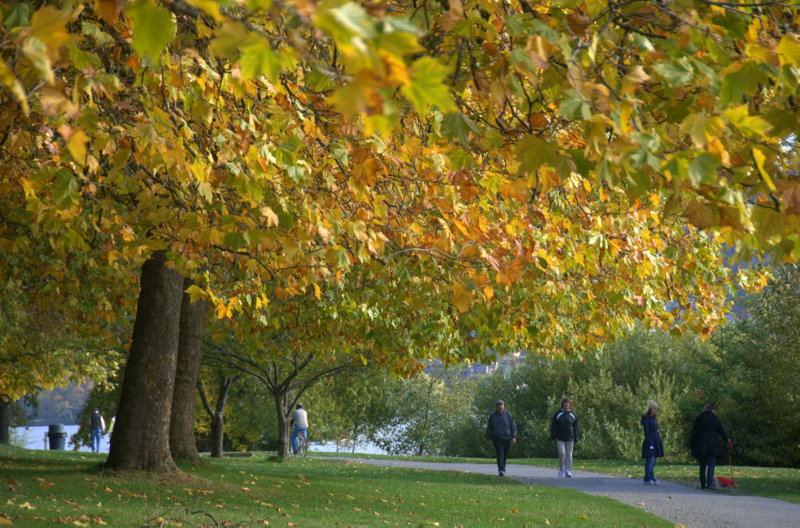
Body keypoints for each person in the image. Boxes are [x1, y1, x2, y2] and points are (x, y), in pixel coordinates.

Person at [690, 403, 733, 490]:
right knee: (711, 465)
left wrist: (692, 445)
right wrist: (727, 439)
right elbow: (721, 429)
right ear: (712, 410)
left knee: (702, 465)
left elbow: (694, 433)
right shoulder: (714, 418)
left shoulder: (699, 418)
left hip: (701, 446)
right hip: (712, 445)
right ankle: (709, 484)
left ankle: (703, 484)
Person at [485, 399, 517, 476]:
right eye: (498, 405)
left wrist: (513, 437)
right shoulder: (492, 416)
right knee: (500, 453)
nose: (500, 406)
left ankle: (503, 467)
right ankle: (501, 469)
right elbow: (489, 428)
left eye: (501, 405)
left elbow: (513, 427)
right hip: (497, 438)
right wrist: (488, 438)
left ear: (503, 406)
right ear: (496, 406)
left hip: (507, 438)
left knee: (505, 454)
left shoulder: (508, 415)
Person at [551, 397, 579, 478]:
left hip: (570, 437)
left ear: (570, 405)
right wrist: (553, 436)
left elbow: (576, 427)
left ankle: (568, 471)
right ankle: (561, 469)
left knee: (569, 455)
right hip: (560, 437)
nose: (566, 404)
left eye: (568, 403)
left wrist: (576, 437)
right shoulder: (558, 414)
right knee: (562, 453)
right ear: (562, 404)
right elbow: (554, 425)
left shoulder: (573, 415)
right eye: (565, 403)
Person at [641, 401, 664, 484]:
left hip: (656, 441)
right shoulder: (646, 419)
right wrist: (650, 444)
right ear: (650, 409)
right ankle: (647, 478)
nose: (655, 411)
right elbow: (647, 432)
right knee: (650, 461)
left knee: (653, 461)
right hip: (650, 442)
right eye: (654, 408)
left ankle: (652, 477)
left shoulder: (653, 419)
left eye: (656, 409)